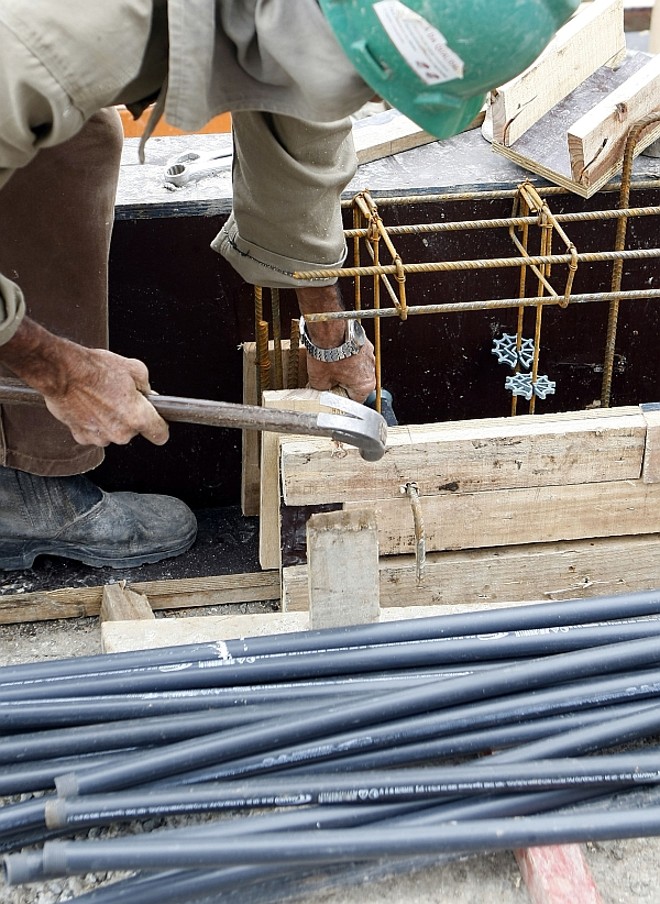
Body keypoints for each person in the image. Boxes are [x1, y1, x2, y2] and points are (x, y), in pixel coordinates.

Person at [0, 0, 577, 570]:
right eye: (375, 85)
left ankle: (31, 470)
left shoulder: (322, 19)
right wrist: (59, 371)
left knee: (70, 148)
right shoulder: (46, 44)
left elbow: (301, 125)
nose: (376, 102)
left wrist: (329, 332)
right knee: (62, 124)